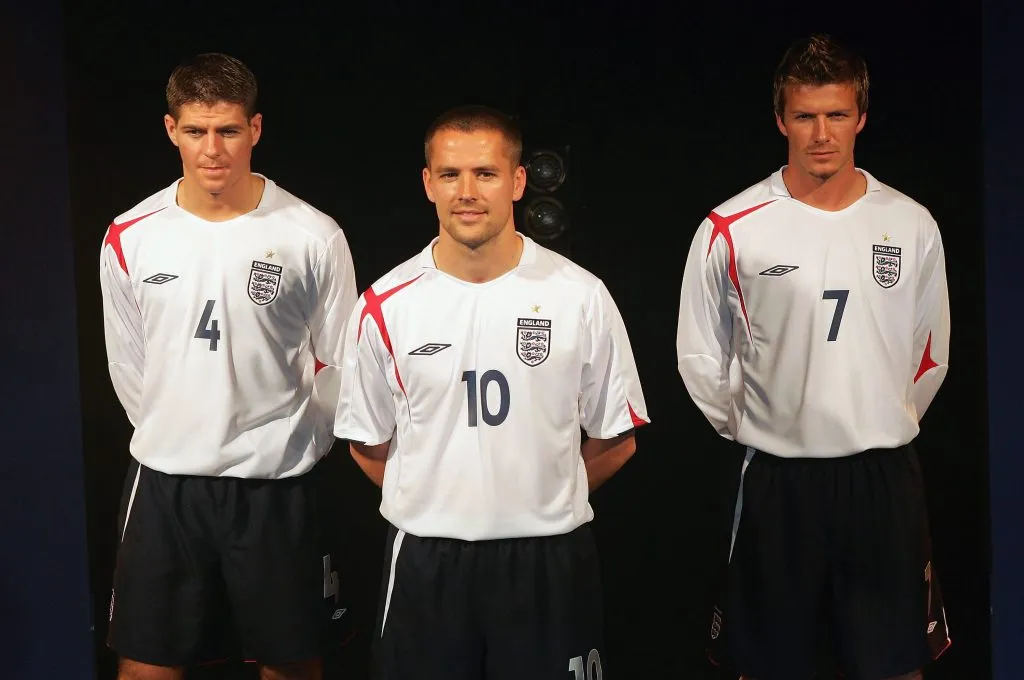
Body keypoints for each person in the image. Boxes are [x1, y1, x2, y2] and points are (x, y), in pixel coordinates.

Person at [334, 105, 649, 680]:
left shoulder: (579, 296)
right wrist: (437, 499)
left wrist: (540, 499)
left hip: (548, 559)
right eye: (450, 175)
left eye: (485, 173)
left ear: (519, 180)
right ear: (428, 183)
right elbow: (366, 443)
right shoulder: (385, 305)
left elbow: (616, 437)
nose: (467, 191)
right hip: (428, 562)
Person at [675, 33, 951, 680]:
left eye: (835, 115)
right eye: (804, 116)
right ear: (781, 120)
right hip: (776, 482)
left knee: (896, 662)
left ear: (860, 117)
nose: (820, 133)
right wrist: (766, 430)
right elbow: (699, 355)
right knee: (764, 663)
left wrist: (872, 419)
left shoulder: (911, 224)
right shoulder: (731, 227)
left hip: (880, 479)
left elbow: (928, 353)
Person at [99, 52, 358, 680]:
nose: (212, 148)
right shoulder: (131, 235)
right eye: (195, 131)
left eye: (228, 130)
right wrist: (180, 430)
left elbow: (343, 365)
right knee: (145, 670)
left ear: (256, 129)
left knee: (291, 666)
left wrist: (297, 445)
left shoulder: (311, 234)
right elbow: (129, 363)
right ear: (171, 131)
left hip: (275, 486)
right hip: (166, 487)